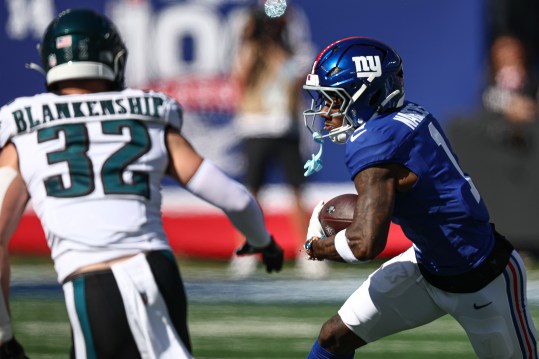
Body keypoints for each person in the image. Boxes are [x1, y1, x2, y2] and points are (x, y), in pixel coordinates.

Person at [0, 8, 283, 358]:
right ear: (113, 58)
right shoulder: (146, 115)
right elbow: (236, 199)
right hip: (159, 272)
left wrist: (4, 335)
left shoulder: (24, 127)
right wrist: (263, 242)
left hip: (94, 282)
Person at [300, 36, 538, 358]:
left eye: (333, 99)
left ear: (365, 94)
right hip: (427, 265)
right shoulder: (403, 116)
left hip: (483, 276)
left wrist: (316, 247)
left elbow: (364, 244)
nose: (325, 111)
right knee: (334, 338)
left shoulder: (374, 141)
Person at [229, 7, 324, 277]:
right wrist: (252, 43)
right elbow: (241, 79)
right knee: (251, 192)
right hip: (254, 126)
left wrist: (273, 46)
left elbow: (293, 78)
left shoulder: (296, 50)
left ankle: (307, 250)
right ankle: (245, 249)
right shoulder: (246, 49)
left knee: (297, 191)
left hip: (286, 127)